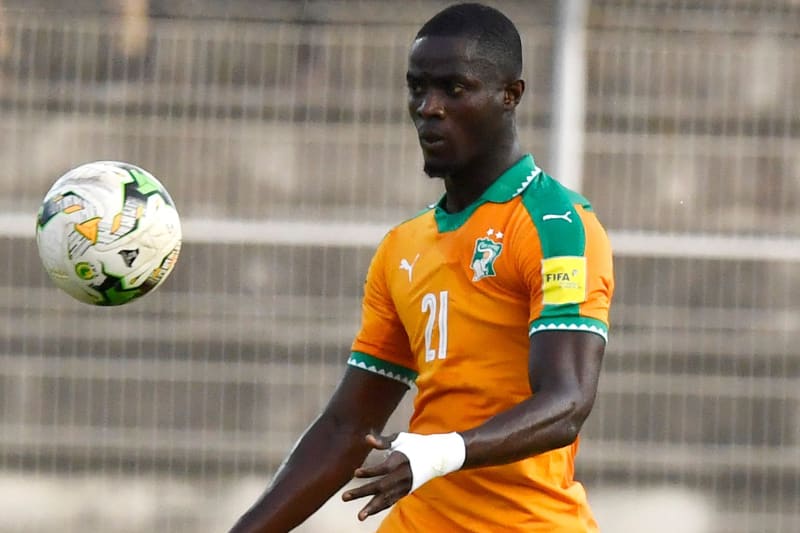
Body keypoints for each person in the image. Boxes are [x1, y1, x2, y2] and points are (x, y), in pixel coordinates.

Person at [229, 2, 614, 532]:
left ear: (510, 94)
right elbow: (348, 425)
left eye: (454, 89)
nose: (428, 107)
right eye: (417, 87)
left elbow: (567, 401)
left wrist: (435, 456)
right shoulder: (403, 247)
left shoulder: (556, 224)